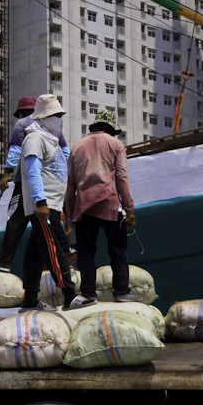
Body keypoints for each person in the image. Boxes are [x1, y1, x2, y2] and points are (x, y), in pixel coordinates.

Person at [0, 96, 68, 272]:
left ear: (20, 112)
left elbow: (15, 150)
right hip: (51, 183)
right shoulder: (55, 127)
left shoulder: (23, 124)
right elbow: (65, 153)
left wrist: (6, 175)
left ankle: (5, 259)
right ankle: (48, 263)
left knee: (15, 218)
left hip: (26, 181)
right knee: (42, 224)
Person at [64, 108, 136, 308]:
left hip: (84, 208)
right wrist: (129, 209)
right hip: (110, 205)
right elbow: (121, 177)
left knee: (86, 253)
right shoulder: (115, 144)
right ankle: (121, 291)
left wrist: (70, 213)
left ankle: (88, 293)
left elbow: (70, 183)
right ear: (111, 129)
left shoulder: (77, 147)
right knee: (118, 250)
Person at [17, 93, 77, 310]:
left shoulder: (50, 140)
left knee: (34, 253)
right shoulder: (34, 139)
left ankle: (31, 298)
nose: (59, 118)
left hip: (52, 205)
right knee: (57, 248)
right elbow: (33, 172)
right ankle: (70, 294)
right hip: (43, 206)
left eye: (60, 115)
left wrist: (59, 207)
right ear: (44, 117)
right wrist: (41, 202)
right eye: (56, 115)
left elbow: (55, 175)